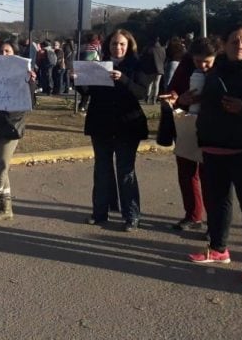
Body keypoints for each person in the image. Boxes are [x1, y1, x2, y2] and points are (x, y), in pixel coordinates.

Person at [187, 24, 242, 285]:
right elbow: (201, 103)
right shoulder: (214, 71)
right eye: (234, 41)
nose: (239, 46)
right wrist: (182, 100)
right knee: (218, 201)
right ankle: (219, 249)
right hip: (213, 146)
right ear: (226, 44)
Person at [77, 28, 148, 232]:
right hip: (101, 124)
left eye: (122, 44)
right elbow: (88, 91)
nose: (117, 47)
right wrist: (77, 80)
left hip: (127, 126)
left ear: (129, 46)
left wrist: (123, 79)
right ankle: (100, 212)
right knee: (102, 169)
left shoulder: (136, 65)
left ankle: (131, 215)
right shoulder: (99, 65)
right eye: (114, 44)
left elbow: (141, 92)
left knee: (126, 171)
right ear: (107, 46)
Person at [159, 37, 220, 231]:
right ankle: (193, 215)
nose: (202, 66)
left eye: (207, 62)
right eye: (197, 61)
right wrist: (178, 98)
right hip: (186, 124)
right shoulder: (185, 64)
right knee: (186, 172)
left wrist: (206, 98)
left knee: (209, 177)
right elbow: (173, 90)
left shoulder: (223, 69)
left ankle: (216, 225)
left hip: (212, 127)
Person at [0, 40, 36, 221]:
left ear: (15, 54)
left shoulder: (24, 74)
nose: (4, 54)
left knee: (3, 165)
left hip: (11, 125)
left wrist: (30, 83)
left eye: (8, 51)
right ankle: (6, 208)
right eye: (1, 51)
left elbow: (31, 103)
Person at [141, 36, 166, 104]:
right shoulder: (162, 49)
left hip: (151, 68)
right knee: (156, 84)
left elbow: (145, 58)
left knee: (149, 84)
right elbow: (164, 59)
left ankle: (147, 98)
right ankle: (154, 100)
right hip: (160, 69)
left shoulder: (150, 49)